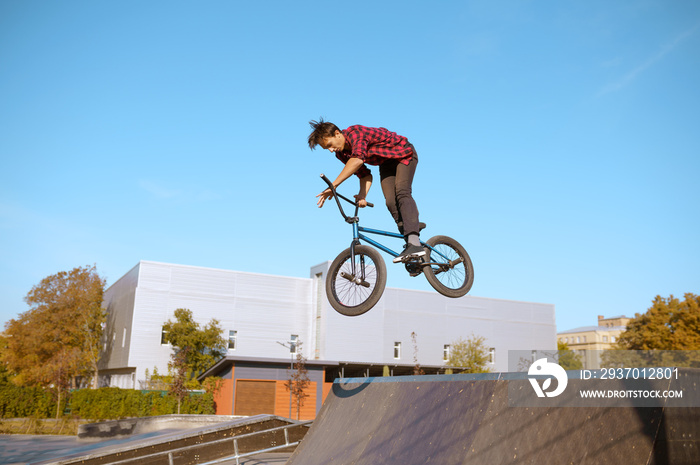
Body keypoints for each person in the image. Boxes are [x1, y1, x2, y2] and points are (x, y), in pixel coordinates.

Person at [308, 118, 425, 263]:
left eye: (330, 145)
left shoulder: (356, 133)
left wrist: (334, 185)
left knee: (402, 192)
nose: (331, 150)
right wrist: (363, 195)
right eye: (327, 149)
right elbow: (364, 174)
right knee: (390, 202)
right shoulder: (341, 154)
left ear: (337, 134)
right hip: (386, 162)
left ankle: (414, 241)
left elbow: (357, 160)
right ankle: (412, 238)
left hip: (404, 153)